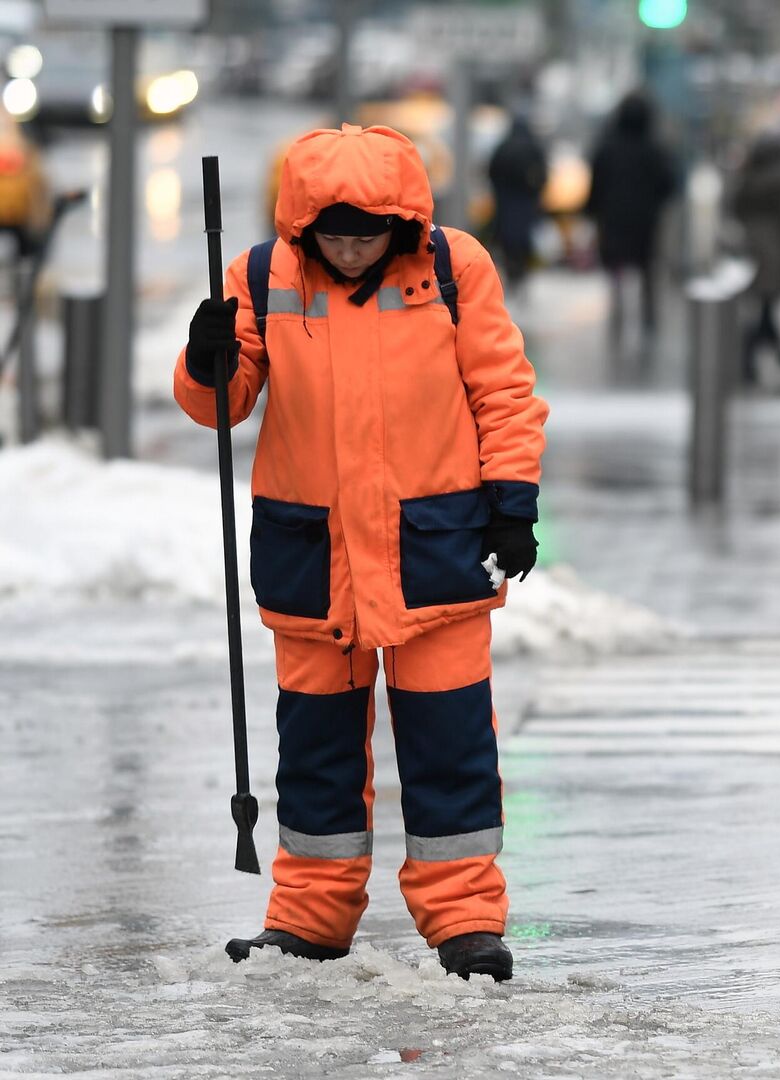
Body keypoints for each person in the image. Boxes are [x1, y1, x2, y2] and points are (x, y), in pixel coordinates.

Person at [176, 124, 549, 981]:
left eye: (366, 235)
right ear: (303, 227)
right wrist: (206, 362)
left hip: (437, 551)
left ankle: (464, 920)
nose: (349, 251)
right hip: (317, 558)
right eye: (332, 236)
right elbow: (225, 403)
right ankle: (309, 916)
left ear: (402, 225)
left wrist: (514, 505)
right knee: (314, 753)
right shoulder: (264, 277)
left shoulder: (454, 269)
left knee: (450, 747)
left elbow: (504, 391)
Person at [586, 91, 678, 357]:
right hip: (644, 221)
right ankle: (649, 320)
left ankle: (617, 319)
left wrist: (593, 211)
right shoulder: (654, 149)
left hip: (613, 219)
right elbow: (668, 185)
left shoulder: (607, 148)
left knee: (616, 271)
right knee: (647, 270)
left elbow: (596, 184)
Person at [729, 133, 780, 386]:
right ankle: (767, 357)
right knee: (767, 306)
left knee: (761, 306)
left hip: (750, 248)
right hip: (774, 248)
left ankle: (756, 359)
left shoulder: (746, 179)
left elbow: (733, 208)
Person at [487, 114, 549, 295]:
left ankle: (512, 274)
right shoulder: (533, 148)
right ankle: (521, 275)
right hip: (526, 205)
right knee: (524, 242)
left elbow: (492, 172)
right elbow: (543, 175)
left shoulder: (503, 147)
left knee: (507, 241)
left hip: (505, 204)